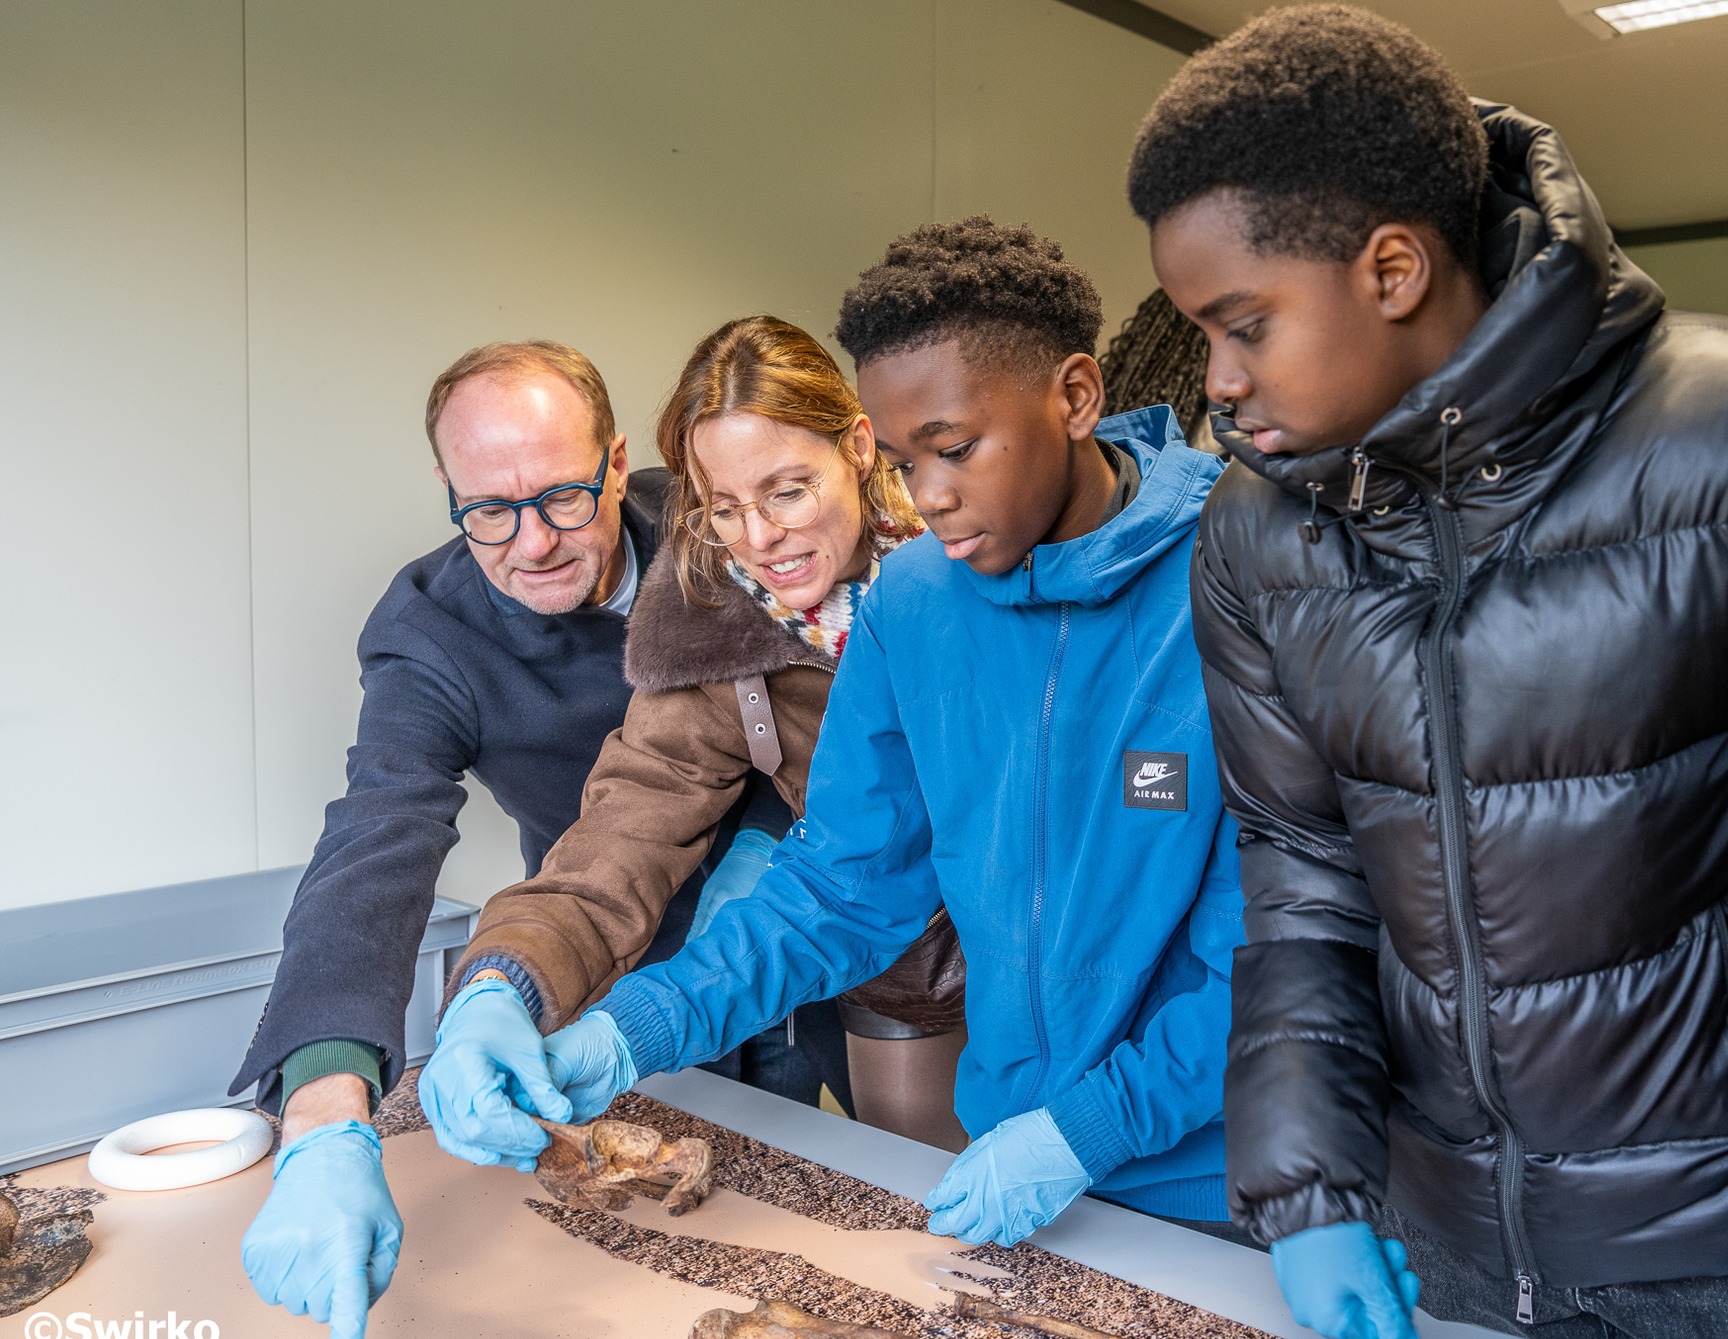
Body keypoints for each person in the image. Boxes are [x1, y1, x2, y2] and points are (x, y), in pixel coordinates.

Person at [1130, 8, 1728, 1339]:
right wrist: (1310, 1185)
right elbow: (1305, 876)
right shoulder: (1259, 535)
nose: (1216, 379)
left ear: (1391, 267)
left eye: (1243, 322)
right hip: (1434, 1229)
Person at [426, 217, 1247, 1245]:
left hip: (1231, 1179)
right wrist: (632, 1029)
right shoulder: (913, 601)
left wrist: (1086, 1128)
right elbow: (841, 887)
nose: (929, 499)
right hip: (1020, 1156)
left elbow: (1289, 942)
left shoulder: (1245, 575)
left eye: (950, 451)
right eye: (908, 459)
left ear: (1077, 397)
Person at [232, 341, 814, 1339]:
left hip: (816, 908)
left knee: (808, 1197)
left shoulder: (726, 528)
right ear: (447, 491)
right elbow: (378, 834)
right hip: (588, 944)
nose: (531, 542)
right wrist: (323, 1110)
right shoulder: (431, 632)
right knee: (644, 1252)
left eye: (560, 498)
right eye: (488, 510)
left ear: (618, 458)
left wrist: (767, 848)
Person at [420, 315, 972, 1165]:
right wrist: (502, 984)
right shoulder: (716, 621)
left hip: (1077, 944)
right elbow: (626, 825)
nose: (758, 540)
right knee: (934, 1190)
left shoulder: (975, 549)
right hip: (907, 962)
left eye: (787, 491)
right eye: (723, 507)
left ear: (859, 446)